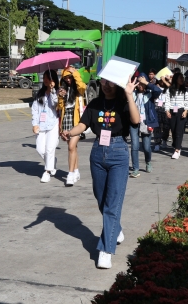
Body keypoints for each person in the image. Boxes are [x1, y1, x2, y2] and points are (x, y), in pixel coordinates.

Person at [60, 77, 140, 269]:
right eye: (104, 82)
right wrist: (70, 132)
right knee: (101, 199)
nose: (106, 85)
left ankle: (105, 250)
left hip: (119, 152)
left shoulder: (123, 102)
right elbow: (83, 124)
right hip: (97, 152)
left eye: (111, 82)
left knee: (112, 204)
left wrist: (129, 95)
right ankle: (116, 229)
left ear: (117, 84)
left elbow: (136, 120)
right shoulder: (95, 103)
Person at [57, 66, 87, 186]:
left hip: (77, 120)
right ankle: (76, 171)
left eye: (70, 77)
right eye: (66, 78)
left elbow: (82, 87)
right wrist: (61, 96)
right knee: (73, 148)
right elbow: (60, 107)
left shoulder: (78, 89)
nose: (68, 80)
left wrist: (75, 74)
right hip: (66, 119)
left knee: (71, 147)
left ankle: (70, 174)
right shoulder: (63, 89)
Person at [129, 73, 162, 177]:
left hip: (147, 122)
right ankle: (135, 169)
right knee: (135, 145)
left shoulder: (150, 94)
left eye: (142, 83)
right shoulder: (133, 94)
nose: (140, 85)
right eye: (139, 82)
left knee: (146, 147)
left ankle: (148, 161)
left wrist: (147, 83)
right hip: (134, 122)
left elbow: (158, 90)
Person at [31, 69, 60, 183]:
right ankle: (52, 162)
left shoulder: (58, 92)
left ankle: (47, 171)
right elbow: (35, 110)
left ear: (53, 79)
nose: (45, 80)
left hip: (53, 124)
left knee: (49, 149)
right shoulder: (40, 93)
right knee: (40, 148)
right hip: (41, 125)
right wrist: (35, 124)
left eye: (48, 78)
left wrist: (53, 91)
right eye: (44, 78)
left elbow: (56, 105)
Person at [164, 72, 188, 159]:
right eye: (180, 78)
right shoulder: (169, 90)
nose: (182, 79)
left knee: (179, 131)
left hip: (181, 111)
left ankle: (177, 150)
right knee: (173, 130)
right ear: (176, 79)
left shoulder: (185, 90)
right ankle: (177, 145)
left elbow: (187, 101)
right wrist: (167, 111)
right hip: (172, 111)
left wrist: (186, 111)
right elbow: (167, 101)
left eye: (182, 78)